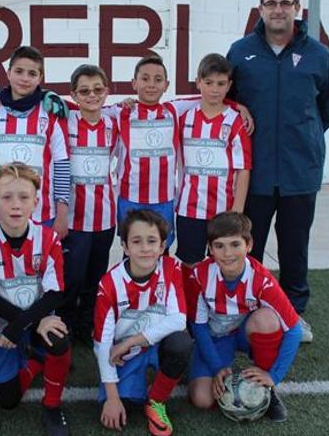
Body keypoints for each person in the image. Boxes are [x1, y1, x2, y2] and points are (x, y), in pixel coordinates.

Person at [226, 0, 329, 342]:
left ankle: (294, 315)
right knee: (250, 246)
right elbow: (228, 100)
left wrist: (302, 140)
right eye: (271, 3)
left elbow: (327, 108)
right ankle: (246, 312)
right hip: (254, 172)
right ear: (260, 9)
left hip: (299, 172)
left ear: (296, 9)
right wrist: (240, 106)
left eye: (285, 3)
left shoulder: (318, 54)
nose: (278, 9)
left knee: (294, 247)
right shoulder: (241, 52)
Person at [0, 163, 72, 436]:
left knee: (59, 338)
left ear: (36, 202)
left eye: (24, 197)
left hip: (34, 320)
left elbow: (55, 293)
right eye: (6, 197)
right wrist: (18, 326)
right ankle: (36, 361)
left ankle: (52, 406)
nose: (16, 205)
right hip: (0, 328)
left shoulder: (48, 238)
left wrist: (24, 325)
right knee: (8, 401)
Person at [186, 211, 301, 423]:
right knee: (202, 399)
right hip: (216, 337)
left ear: (248, 245)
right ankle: (218, 366)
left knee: (267, 319)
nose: (228, 253)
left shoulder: (261, 280)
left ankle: (267, 388)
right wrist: (216, 368)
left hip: (244, 333)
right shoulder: (199, 276)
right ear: (210, 249)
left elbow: (294, 330)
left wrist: (273, 376)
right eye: (219, 246)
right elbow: (198, 327)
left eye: (235, 244)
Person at [93, 209, 193, 436]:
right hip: (122, 353)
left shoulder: (171, 268)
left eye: (152, 241)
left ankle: (156, 401)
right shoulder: (109, 283)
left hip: (151, 344)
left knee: (181, 344)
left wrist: (132, 341)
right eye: (137, 241)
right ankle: (135, 383)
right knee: (124, 407)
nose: (145, 248)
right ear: (125, 247)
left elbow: (179, 320)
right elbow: (102, 343)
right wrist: (112, 397)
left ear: (162, 246)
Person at [174, 54, 251, 322]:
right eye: (209, 82)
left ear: (229, 85)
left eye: (221, 84)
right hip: (189, 208)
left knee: (222, 262)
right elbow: (150, 107)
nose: (214, 89)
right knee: (189, 263)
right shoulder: (184, 115)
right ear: (198, 83)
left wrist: (237, 212)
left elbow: (243, 168)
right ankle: (186, 314)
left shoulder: (234, 121)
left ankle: (220, 312)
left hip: (223, 210)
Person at [0, 46, 71, 240]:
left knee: (41, 269)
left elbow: (62, 166)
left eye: (32, 73)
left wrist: (62, 215)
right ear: (8, 73)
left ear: (40, 78)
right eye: (19, 71)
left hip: (43, 215)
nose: (25, 78)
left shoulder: (52, 114)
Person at [57, 64, 119, 345]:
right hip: (73, 219)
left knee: (96, 277)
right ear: (74, 95)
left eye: (97, 89)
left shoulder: (115, 121)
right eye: (84, 91)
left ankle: (86, 326)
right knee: (71, 278)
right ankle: (65, 325)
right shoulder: (64, 120)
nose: (91, 95)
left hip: (105, 219)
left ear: (107, 92)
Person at [114, 55, 181, 250]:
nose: (151, 85)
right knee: (132, 250)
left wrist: (239, 106)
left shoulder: (175, 110)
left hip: (163, 200)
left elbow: (208, 99)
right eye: (145, 79)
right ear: (134, 83)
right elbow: (87, 106)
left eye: (158, 80)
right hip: (130, 199)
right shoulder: (121, 111)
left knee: (161, 250)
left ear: (166, 85)